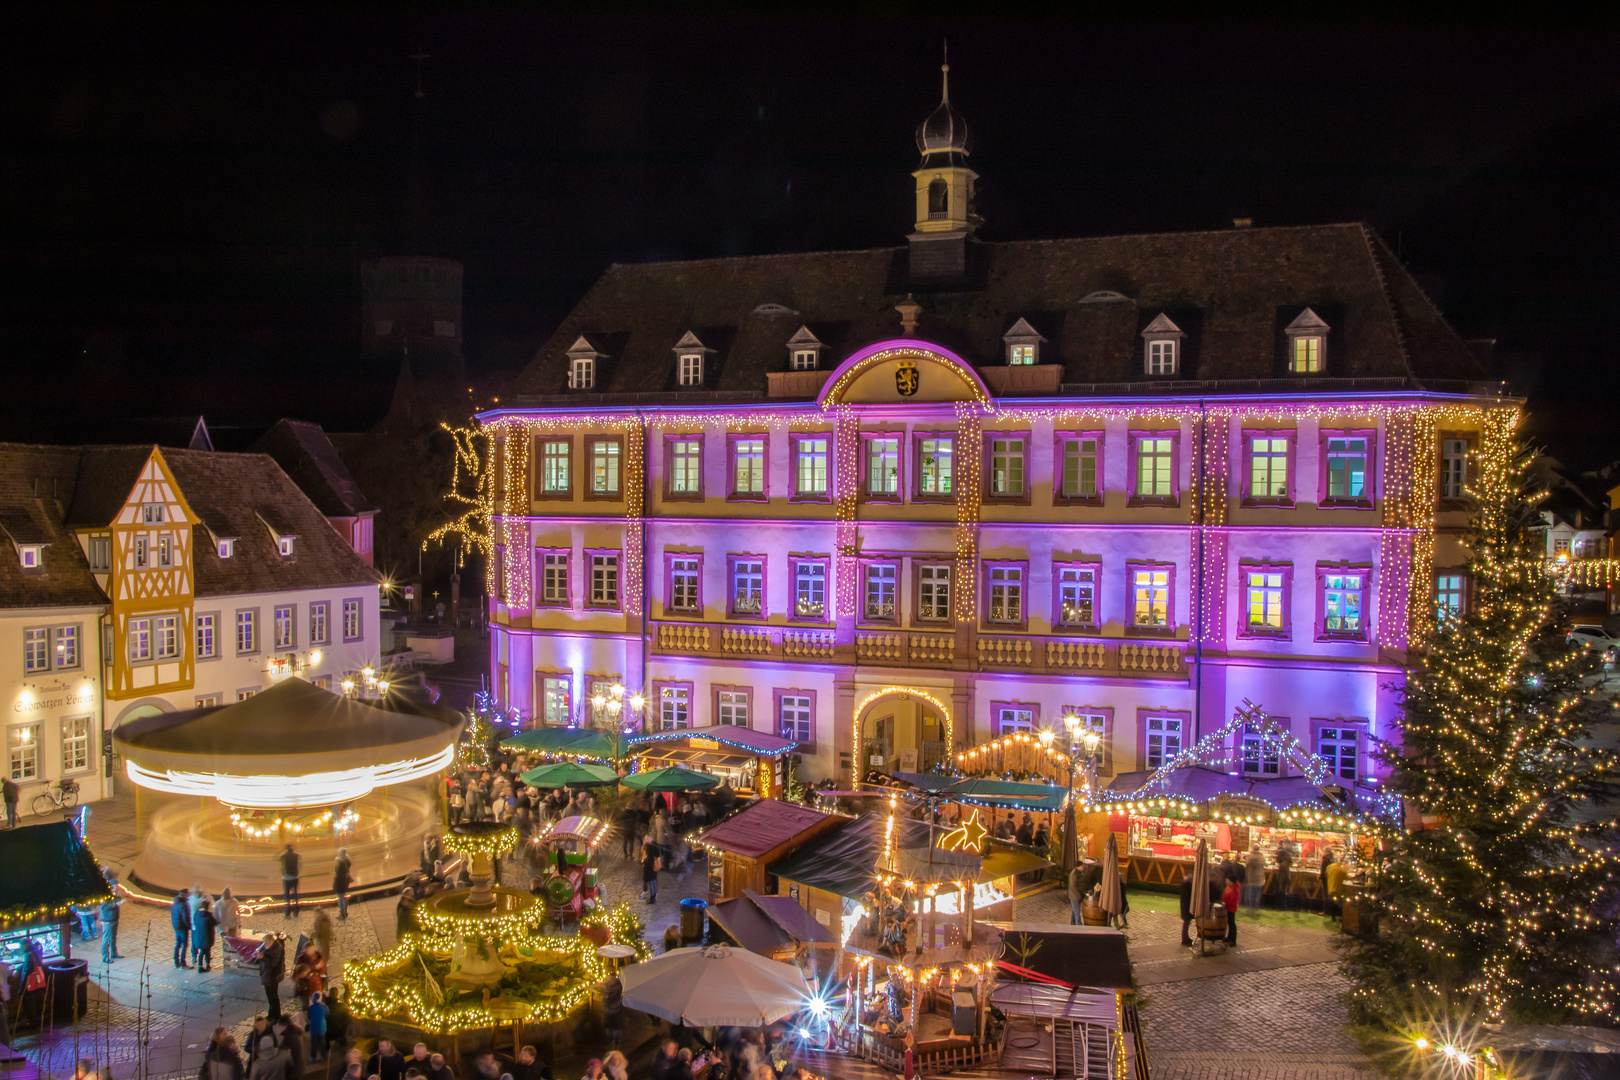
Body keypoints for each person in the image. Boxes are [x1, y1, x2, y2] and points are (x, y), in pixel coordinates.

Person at [258, 934, 286, 1020]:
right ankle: (271, 1014)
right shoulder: (269, 947)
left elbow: (273, 963)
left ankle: (276, 1015)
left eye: (266, 943)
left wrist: (263, 957)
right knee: (269, 996)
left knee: (273, 996)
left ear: (271, 941)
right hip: (267, 975)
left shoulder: (276, 948)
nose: (265, 945)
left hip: (273, 976)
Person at [193, 897, 219, 972]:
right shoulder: (208, 915)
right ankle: (207, 965)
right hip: (207, 936)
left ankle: (200, 965)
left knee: (202, 951)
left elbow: (195, 923)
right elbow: (215, 923)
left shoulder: (197, 914)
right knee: (207, 951)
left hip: (199, 936)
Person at [100, 889, 124, 963]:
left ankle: (114, 953)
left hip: (114, 918)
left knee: (113, 937)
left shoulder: (113, 894)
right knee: (106, 938)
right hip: (107, 920)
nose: (116, 887)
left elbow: (118, 898)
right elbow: (104, 907)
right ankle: (105, 957)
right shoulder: (104, 896)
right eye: (114, 886)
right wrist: (115, 904)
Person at [1325, 849, 1349, 921]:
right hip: (1342, 889)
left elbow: (1326, 874)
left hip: (1332, 888)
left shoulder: (1330, 867)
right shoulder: (1345, 869)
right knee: (1341, 903)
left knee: (1333, 903)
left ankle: (1333, 916)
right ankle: (1341, 916)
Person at [171, 890, 193, 968]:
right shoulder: (183, 905)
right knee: (184, 945)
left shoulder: (174, 904)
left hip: (176, 926)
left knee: (178, 943)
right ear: (184, 895)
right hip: (183, 927)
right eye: (188, 894)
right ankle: (183, 963)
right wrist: (190, 926)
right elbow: (185, 918)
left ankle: (176, 961)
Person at [306, 993, 329, 1062]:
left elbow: (309, 1017)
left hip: (313, 1029)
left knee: (313, 1044)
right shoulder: (325, 1007)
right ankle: (323, 1056)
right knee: (322, 1043)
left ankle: (313, 1057)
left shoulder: (310, 1008)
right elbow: (327, 1014)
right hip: (322, 1028)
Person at [279, 844, 301, 917]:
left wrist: (281, 850)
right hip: (295, 877)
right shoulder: (296, 855)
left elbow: (275, 858)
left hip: (286, 878)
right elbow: (299, 865)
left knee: (287, 895)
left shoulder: (283, 856)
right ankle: (296, 911)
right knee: (295, 893)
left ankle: (287, 912)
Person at [1274, 837, 1295, 909]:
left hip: (1282, 876)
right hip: (1285, 876)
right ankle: (1284, 906)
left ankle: (1281, 905)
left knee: (1281, 890)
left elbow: (1277, 862)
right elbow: (1291, 863)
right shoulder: (1287, 855)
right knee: (1284, 890)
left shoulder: (1282, 853)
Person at [1222, 873, 1242, 947]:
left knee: (1232, 924)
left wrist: (1226, 906)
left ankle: (1233, 940)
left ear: (1231, 881)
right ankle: (1229, 937)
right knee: (1230, 923)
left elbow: (1233, 900)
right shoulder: (1231, 886)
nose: (1226, 881)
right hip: (1229, 908)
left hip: (1230, 908)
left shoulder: (1234, 889)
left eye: (1227, 880)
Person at [332, 849, 353, 920]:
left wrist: (335, 883)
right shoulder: (347, 861)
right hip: (345, 882)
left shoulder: (340, 863)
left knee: (340, 898)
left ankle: (341, 913)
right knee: (344, 896)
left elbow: (338, 875)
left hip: (340, 882)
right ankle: (345, 911)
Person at [1243, 845, 1266, 910]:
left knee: (1251, 893)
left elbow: (1246, 865)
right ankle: (1256, 907)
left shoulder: (1250, 857)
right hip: (1260, 878)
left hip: (1251, 877)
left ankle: (1250, 907)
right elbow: (1265, 864)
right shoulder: (1262, 857)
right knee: (1257, 893)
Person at [641, 835, 660, 904]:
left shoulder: (649, 848)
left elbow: (648, 859)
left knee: (651, 883)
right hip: (654, 868)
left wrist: (644, 862)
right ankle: (654, 896)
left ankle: (652, 899)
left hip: (649, 868)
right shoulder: (655, 846)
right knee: (654, 882)